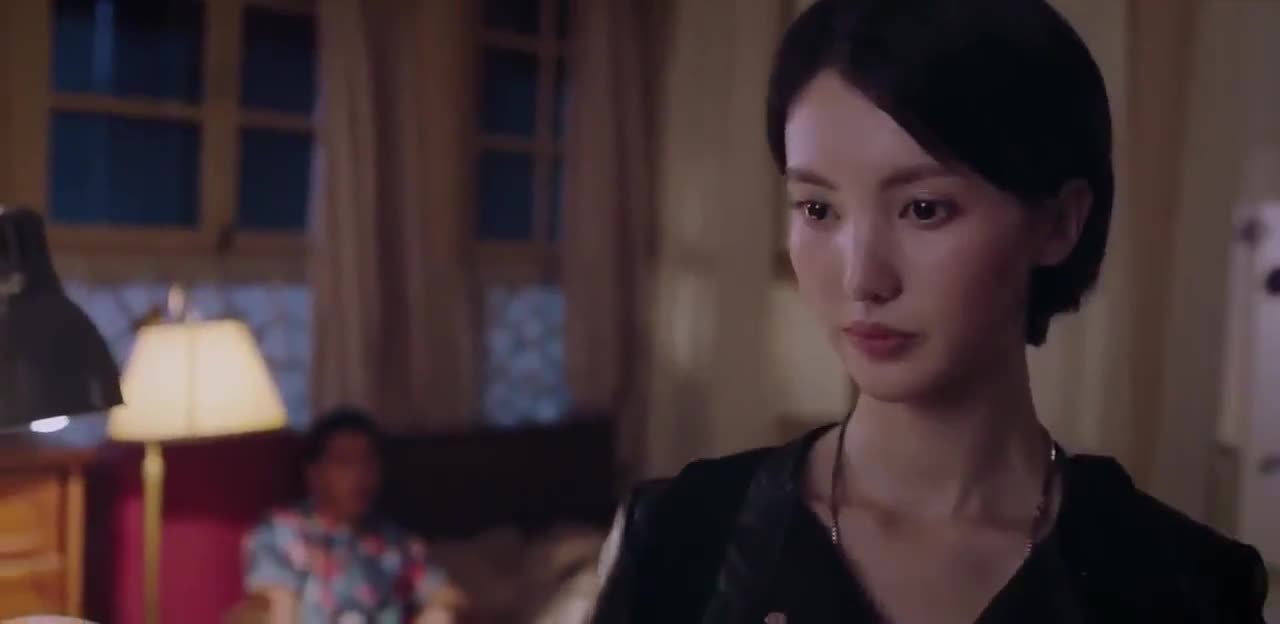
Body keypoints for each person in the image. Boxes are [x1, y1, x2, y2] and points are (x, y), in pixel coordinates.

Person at [591, 0, 1271, 622]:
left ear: (1059, 223)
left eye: (924, 209)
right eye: (818, 208)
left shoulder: (1183, 585)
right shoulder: (681, 539)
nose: (862, 278)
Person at [243, 408, 463, 624]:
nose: (360, 474)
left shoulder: (396, 541)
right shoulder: (282, 533)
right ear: (314, 474)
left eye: (369, 461)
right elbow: (278, 607)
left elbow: (445, 594)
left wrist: (440, 610)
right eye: (344, 462)